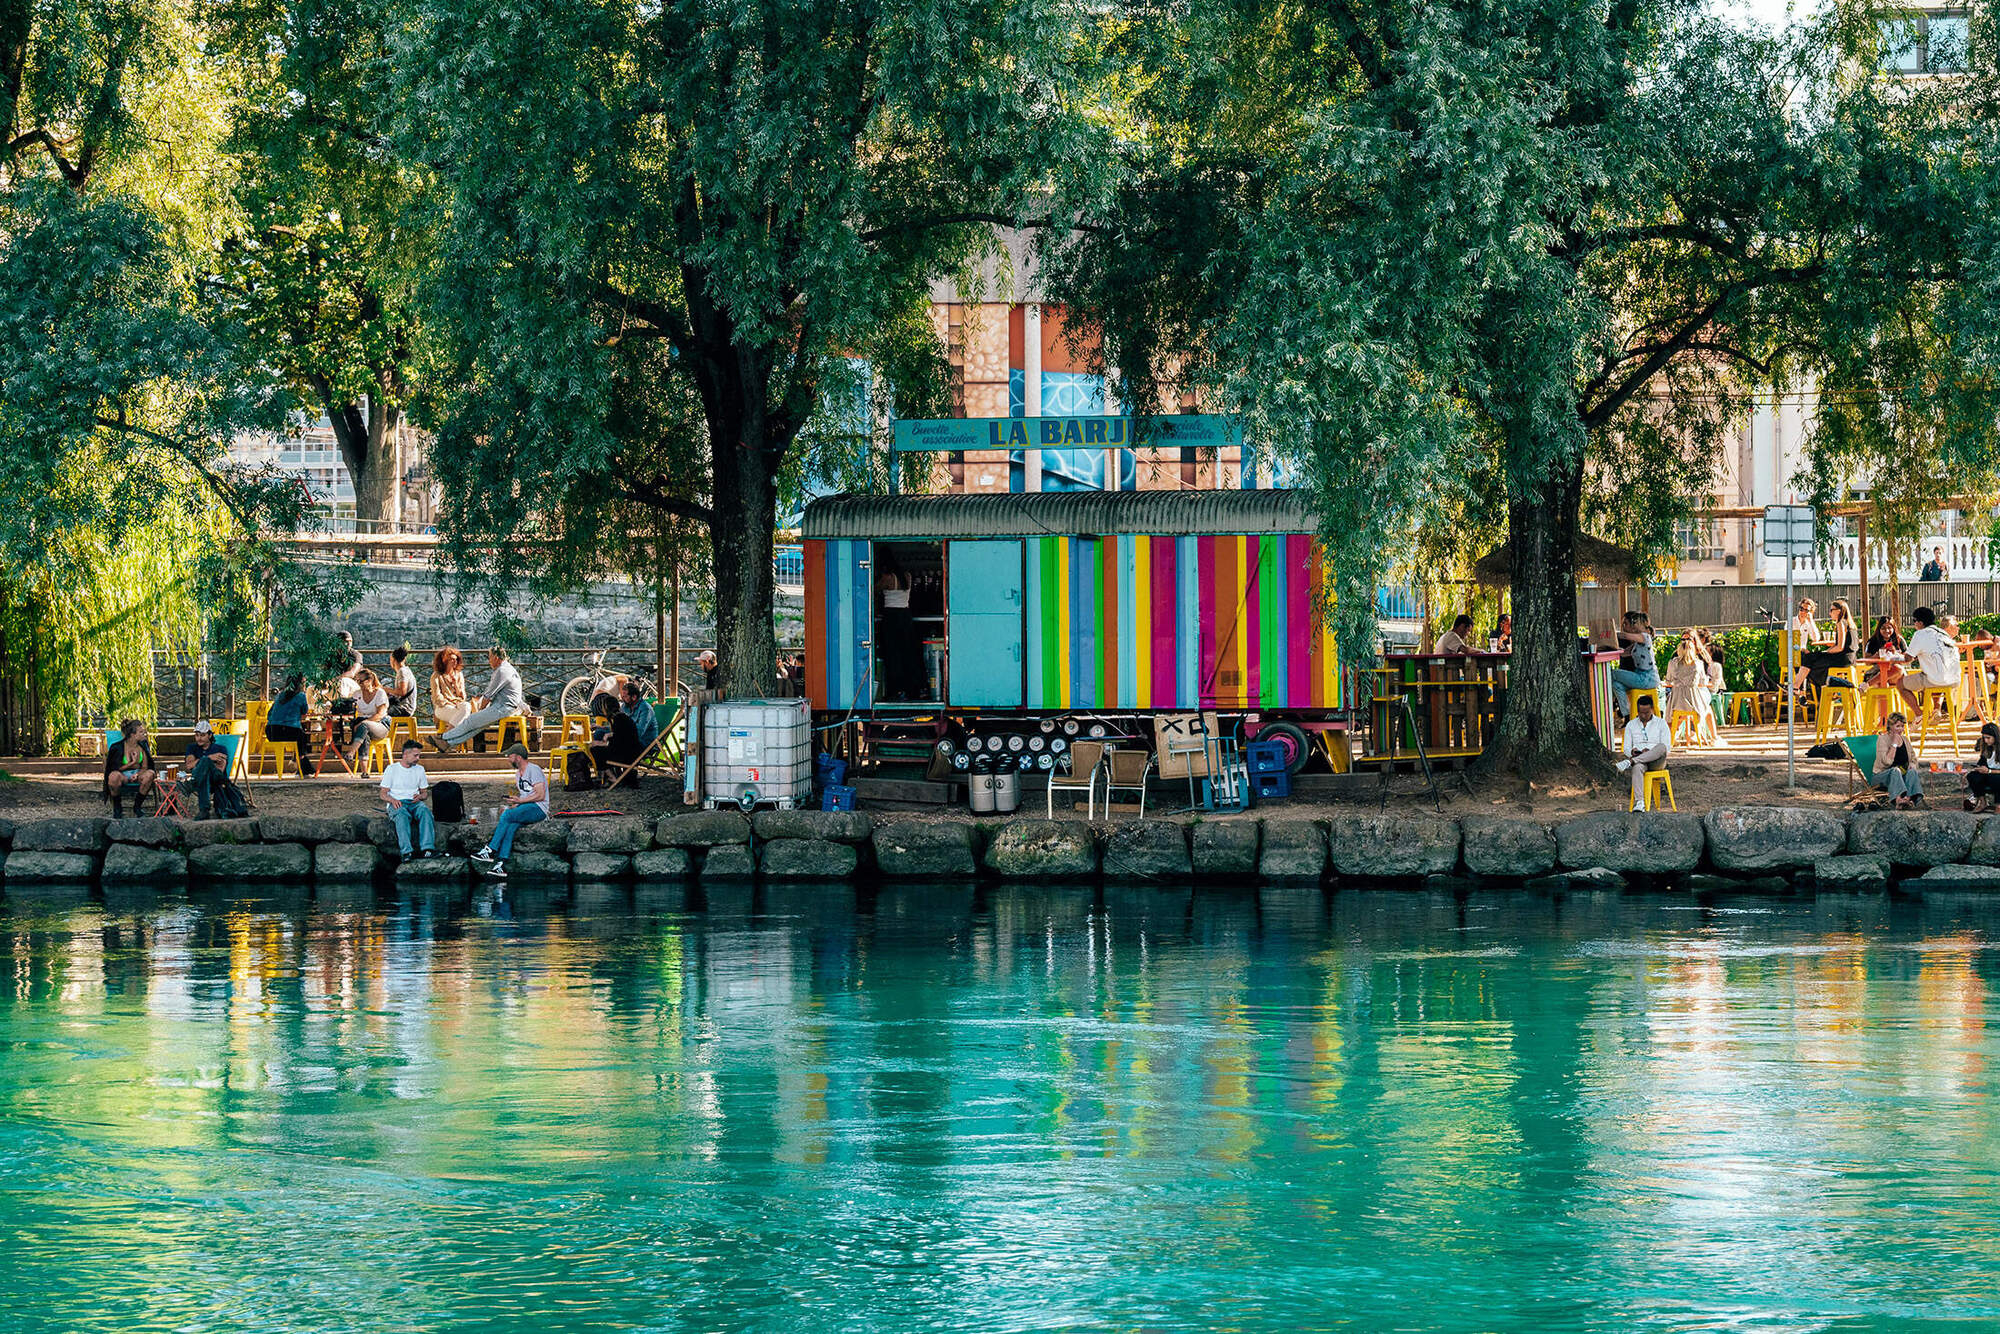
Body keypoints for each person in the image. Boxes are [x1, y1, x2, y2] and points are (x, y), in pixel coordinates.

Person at [470, 743, 549, 878]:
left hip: (539, 809)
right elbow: (526, 796)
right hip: (527, 807)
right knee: (511, 826)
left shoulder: (533, 769)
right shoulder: (518, 774)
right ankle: (501, 864)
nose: (508, 759)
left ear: (518, 757)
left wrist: (519, 803)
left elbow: (540, 795)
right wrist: (515, 804)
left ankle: (490, 850)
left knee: (507, 816)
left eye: (509, 756)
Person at [436, 647, 525, 753]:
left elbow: (488, 696)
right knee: (477, 728)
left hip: (502, 707)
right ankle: (447, 744)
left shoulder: (502, 671)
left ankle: (442, 737)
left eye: (490, 657)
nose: (489, 661)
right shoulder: (507, 669)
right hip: (506, 706)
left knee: (471, 721)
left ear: (496, 658)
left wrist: (480, 711)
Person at [379, 739, 437, 858]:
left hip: (414, 802)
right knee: (401, 815)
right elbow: (383, 794)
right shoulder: (392, 769)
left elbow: (425, 793)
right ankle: (406, 851)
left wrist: (420, 796)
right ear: (405, 754)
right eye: (415, 755)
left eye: (419, 755)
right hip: (398, 802)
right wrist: (393, 800)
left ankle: (428, 849)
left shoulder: (419, 769)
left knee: (425, 812)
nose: (418, 758)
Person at [1614, 693, 1670, 811]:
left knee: (1661, 747)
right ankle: (1640, 802)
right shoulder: (1631, 725)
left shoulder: (1661, 723)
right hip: (1640, 759)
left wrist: (1649, 751)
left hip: (1657, 761)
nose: (1643, 715)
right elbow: (1626, 748)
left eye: (1646, 712)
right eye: (1641, 713)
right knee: (1637, 767)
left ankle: (1630, 762)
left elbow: (1666, 748)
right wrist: (1633, 752)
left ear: (1653, 710)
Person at [1900, 604, 1960, 715]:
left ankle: (1919, 715)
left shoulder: (1920, 634)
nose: (1914, 624)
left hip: (1936, 680)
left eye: (1914, 621)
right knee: (1935, 675)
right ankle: (1936, 710)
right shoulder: (1943, 633)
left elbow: (1908, 658)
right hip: (1954, 680)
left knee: (1900, 684)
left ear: (1920, 623)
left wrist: (1895, 657)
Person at [1861, 711, 1922, 808]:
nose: (1901, 729)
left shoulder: (1905, 740)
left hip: (1901, 776)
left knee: (1912, 772)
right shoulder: (1882, 739)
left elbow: (1913, 758)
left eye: (1902, 726)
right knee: (1895, 771)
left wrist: (1912, 764)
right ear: (1890, 726)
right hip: (1881, 776)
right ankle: (1898, 800)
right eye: (1898, 726)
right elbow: (1886, 762)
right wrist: (1894, 744)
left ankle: (1908, 799)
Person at [1800, 597, 1858, 696]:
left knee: (1809, 659)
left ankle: (1801, 687)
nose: (1829, 613)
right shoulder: (1851, 625)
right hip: (1850, 659)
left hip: (1841, 659)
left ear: (1839, 611)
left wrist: (1825, 652)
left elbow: (1839, 647)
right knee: (1812, 661)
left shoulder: (1840, 622)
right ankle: (1829, 682)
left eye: (1831, 610)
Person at [1662, 636, 1714, 743]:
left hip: (1677, 702)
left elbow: (1668, 681)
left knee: (1673, 713)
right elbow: (1703, 682)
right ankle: (1707, 736)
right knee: (1707, 710)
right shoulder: (1698, 664)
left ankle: (1669, 738)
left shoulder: (1672, 663)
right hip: (1694, 702)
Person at [264, 675, 318, 776]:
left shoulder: (280, 695)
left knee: (300, 738)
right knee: (302, 738)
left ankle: (299, 763)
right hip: (289, 731)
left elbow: (269, 714)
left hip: (272, 732)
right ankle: (302, 764)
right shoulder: (301, 696)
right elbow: (304, 711)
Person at [103, 718, 157, 818]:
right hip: (122, 775)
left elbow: (145, 767)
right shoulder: (117, 747)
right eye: (141, 732)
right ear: (133, 735)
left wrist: (137, 774)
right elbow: (114, 768)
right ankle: (117, 807)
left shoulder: (143, 746)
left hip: (138, 774)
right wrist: (132, 763)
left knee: (150, 774)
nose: (144, 734)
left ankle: (137, 806)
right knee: (113, 777)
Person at [1610, 610, 1660, 716]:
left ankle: (1620, 710)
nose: (1632, 626)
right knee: (1616, 685)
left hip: (1647, 677)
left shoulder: (1645, 637)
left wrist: (1609, 634)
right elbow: (1623, 653)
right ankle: (1627, 713)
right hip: (1640, 676)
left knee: (1612, 673)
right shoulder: (1637, 643)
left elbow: (1625, 636)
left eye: (1634, 623)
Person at [181, 721, 233, 820]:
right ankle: (204, 810)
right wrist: (210, 758)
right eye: (197, 735)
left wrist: (205, 760)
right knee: (204, 773)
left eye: (203, 735)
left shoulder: (220, 748)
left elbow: (220, 770)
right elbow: (189, 766)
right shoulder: (192, 748)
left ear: (210, 735)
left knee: (205, 761)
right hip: (203, 781)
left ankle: (191, 784)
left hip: (217, 779)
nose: (199, 738)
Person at [342, 668, 391, 767]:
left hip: (380, 725)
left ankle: (351, 752)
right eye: (356, 681)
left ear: (368, 681)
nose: (358, 683)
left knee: (363, 726)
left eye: (360, 681)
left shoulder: (380, 693)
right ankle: (364, 772)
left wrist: (363, 723)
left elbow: (380, 715)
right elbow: (352, 710)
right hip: (364, 727)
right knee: (364, 734)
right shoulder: (357, 694)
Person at [1786, 597, 1823, 698]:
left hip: (1802, 655)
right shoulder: (1791, 621)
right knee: (1806, 659)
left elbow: (1816, 638)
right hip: (1790, 653)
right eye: (1801, 608)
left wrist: (1811, 621)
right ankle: (1802, 691)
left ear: (1811, 612)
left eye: (1806, 610)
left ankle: (1799, 690)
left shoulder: (1808, 623)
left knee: (1812, 662)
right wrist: (1801, 648)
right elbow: (1788, 641)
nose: (1803, 612)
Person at [431, 647, 471, 731]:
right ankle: (451, 737)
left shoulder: (459, 675)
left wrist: (456, 685)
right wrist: (451, 703)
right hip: (443, 707)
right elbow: (437, 698)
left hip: (458, 706)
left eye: (456, 659)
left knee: (467, 706)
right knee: (463, 718)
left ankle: (447, 737)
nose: (455, 662)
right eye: (452, 659)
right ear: (444, 661)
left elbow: (463, 698)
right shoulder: (436, 676)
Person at [1964, 723, 2000, 811]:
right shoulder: (1987, 748)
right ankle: (1982, 801)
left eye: (1988, 738)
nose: (1986, 740)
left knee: (1996, 779)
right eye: (1984, 738)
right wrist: (1978, 768)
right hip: (1988, 773)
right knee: (1972, 776)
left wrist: (1990, 771)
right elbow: (1981, 763)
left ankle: (1999, 804)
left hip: (1996, 774)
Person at [1864, 616, 1907, 690]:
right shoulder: (1872, 642)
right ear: (1879, 629)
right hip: (1876, 673)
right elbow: (1867, 662)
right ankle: (1870, 685)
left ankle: (1865, 686)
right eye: (1883, 628)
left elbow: (1907, 659)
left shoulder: (1899, 640)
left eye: (1889, 628)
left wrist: (1895, 654)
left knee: (1898, 668)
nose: (1887, 630)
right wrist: (1877, 655)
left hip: (1895, 674)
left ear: (1894, 628)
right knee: (1882, 685)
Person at [384, 646, 418, 718]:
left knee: (379, 713)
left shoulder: (402, 672)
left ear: (393, 660)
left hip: (404, 709)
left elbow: (402, 692)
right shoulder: (406, 670)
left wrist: (386, 689)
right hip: (406, 708)